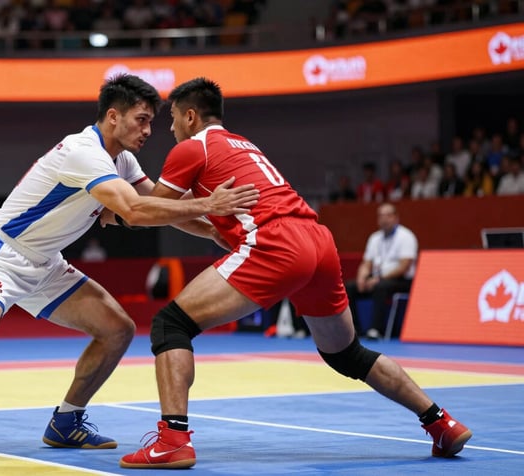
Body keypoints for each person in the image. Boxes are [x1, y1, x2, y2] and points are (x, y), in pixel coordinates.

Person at [0, 74, 258, 468]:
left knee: (117, 330)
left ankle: (66, 421)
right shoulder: (83, 152)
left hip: (46, 263)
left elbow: (162, 206)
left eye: (151, 122)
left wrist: (215, 232)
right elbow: (135, 210)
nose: (148, 131)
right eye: (141, 120)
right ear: (113, 116)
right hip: (1, 255)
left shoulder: (123, 161)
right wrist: (209, 204)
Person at [119, 78, 471, 470]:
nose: (169, 128)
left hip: (276, 243)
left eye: (171, 119)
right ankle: (441, 422)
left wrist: (113, 207)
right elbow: (182, 211)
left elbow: (151, 211)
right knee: (348, 354)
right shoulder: (243, 145)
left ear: (190, 116)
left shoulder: (190, 148)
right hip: (318, 240)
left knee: (171, 325)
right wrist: (210, 224)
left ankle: (173, 441)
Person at [345, 203, 417, 340]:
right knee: (350, 287)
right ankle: (354, 330)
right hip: (377, 278)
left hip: (401, 280)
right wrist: (362, 277)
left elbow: (404, 267)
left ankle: (375, 329)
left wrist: (379, 279)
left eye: (388, 216)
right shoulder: (374, 238)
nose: (384, 219)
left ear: (396, 218)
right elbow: (366, 263)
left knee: (380, 287)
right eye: (381, 216)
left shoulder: (406, 236)